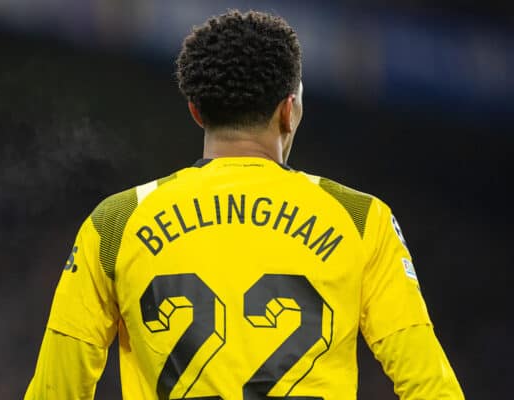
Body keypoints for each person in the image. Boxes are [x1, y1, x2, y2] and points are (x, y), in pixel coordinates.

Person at [25, 10, 464, 399]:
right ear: (288, 111)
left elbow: (55, 390)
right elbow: (428, 385)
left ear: (196, 110)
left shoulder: (115, 223)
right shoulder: (360, 218)